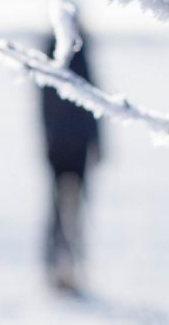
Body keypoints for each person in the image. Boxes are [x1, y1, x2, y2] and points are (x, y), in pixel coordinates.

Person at [40, 30, 101, 295]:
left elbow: (93, 101)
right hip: (67, 147)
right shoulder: (68, 53)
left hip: (69, 146)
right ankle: (60, 269)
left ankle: (70, 269)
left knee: (69, 210)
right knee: (63, 210)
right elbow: (90, 101)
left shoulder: (69, 52)